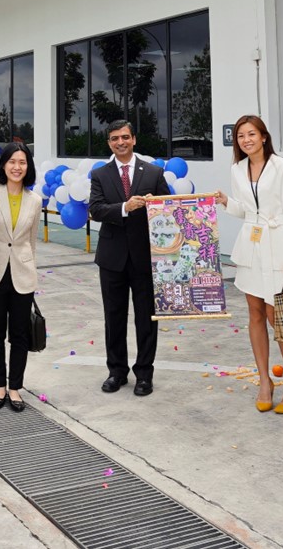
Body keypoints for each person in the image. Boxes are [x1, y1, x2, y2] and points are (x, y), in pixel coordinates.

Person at [215, 114, 283, 414]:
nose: (246, 140)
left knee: (277, 318)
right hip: (251, 247)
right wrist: (226, 201)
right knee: (255, 313)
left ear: (264, 137)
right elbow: (244, 210)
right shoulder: (237, 169)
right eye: (241, 136)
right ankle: (264, 382)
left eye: (252, 134)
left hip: (279, 248)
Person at [88, 120, 169, 396]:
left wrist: (153, 206)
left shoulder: (154, 172)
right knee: (114, 317)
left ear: (134, 139)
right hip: (112, 259)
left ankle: (144, 374)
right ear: (109, 143)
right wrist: (125, 207)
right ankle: (117, 372)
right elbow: (96, 210)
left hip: (146, 258)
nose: (120, 142)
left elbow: (167, 210)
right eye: (114, 139)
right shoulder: (100, 174)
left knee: (147, 319)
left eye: (125, 137)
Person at [0, 142, 38, 411]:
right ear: (3, 165)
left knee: (20, 334)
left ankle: (15, 387)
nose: (17, 167)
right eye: (12, 161)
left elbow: (31, 241)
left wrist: (31, 267)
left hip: (22, 274)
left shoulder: (35, 200)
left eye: (22, 162)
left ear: (28, 167)